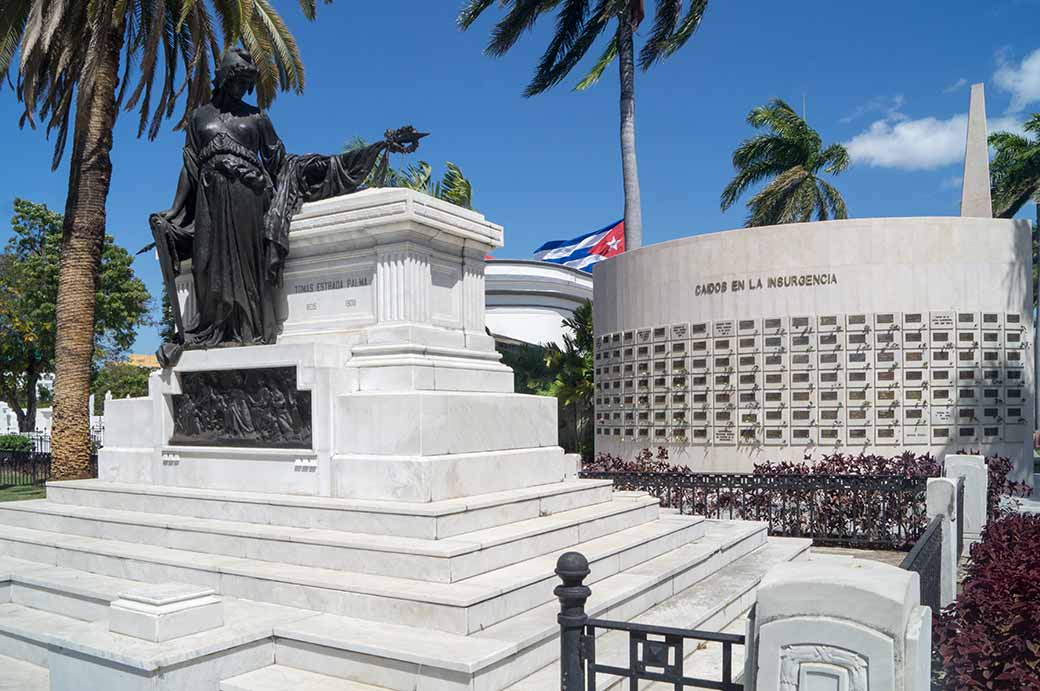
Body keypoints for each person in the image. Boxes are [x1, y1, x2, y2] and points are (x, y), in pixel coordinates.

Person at [151, 47, 421, 365]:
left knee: (246, 269)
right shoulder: (199, 118)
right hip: (210, 200)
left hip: (248, 197)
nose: (242, 89)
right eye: (237, 81)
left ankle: (245, 330)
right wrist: (175, 211)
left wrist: (334, 165)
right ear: (223, 78)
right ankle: (215, 329)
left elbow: (281, 163)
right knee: (207, 265)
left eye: (246, 83)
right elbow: (190, 166)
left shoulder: (256, 117)